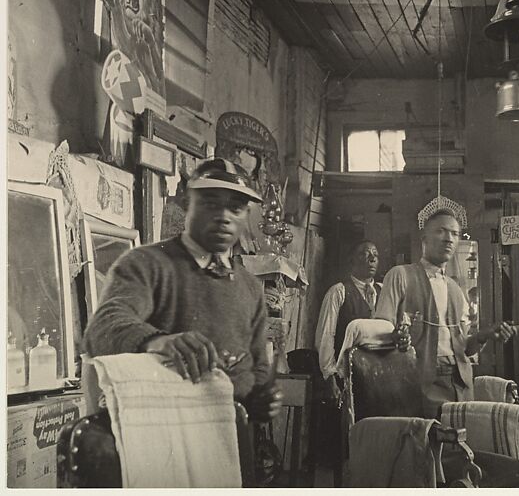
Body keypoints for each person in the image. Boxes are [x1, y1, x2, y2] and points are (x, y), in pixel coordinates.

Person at [83, 158, 283, 423]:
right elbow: (103, 328)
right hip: (159, 431)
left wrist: (261, 399)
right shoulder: (147, 263)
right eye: (211, 204)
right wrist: (157, 341)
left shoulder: (249, 287)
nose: (223, 217)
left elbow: (257, 367)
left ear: (246, 216)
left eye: (235, 208)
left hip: (227, 436)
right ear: (187, 204)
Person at [375, 208, 517, 418]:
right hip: (419, 381)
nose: (449, 239)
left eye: (455, 234)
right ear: (424, 238)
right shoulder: (401, 275)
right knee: (428, 443)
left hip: (460, 382)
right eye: (441, 231)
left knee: (462, 443)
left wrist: (483, 336)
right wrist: (397, 337)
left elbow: (464, 349)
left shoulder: (455, 289)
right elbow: (381, 329)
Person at [313, 240, 380, 485]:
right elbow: (325, 335)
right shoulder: (339, 292)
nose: (370, 259)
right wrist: (330, 375)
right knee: (343, 445)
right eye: (363, 253)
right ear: (351, 260)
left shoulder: (382, 293)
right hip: (345, 380)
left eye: (374, 255)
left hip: (376, 381)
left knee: (372, 443)